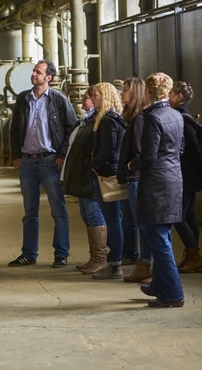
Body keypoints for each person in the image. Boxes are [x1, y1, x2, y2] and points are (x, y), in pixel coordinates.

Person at [9, 60, 77, 268]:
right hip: (28, 162)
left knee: (58, 210)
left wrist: (62, 155)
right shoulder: (23, 99)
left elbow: (72, 128)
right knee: (30, 212)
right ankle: (29, 254)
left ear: (49, 78)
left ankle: (61, 254)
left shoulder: (58, 99)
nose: (33, 74)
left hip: (50, 161)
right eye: (34, 71)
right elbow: (14, 130)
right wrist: (16, 157)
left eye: (38, 72)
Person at [127, 73, 185, 308]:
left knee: (158, 239)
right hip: (173, 180)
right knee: (164, 235)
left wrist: (131, 165)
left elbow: (149, 155)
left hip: (156, 183)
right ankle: (160, 286)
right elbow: (180, 149)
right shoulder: (176, 115)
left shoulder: (153, 117)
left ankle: (173, 293)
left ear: (149, 92)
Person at [60, 86, 107, 274]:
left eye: (87, 98)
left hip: (90, 176)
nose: (83, 102)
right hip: (81, 176)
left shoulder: (99, 121)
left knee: (95, 214)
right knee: (88, 215)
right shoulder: (85, 121)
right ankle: (94, 256)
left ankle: (101, 258)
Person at [169, 81, 202, 274]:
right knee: (190, 216)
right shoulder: (186, 116)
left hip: (186, 174)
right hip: (190, 174)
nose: (168, 97)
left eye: (171, 93)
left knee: (179, 217)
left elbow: (193, 148)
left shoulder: (182, 118)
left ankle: (194, 257)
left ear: (179, 96)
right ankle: (192, 255)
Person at [117, 77, 153, 283]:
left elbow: (141, 152)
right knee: (136, 222)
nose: (122, 93)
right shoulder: (133, 117)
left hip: (137, 179)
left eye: (125, 90)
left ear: (136, 93)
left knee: (143, 224)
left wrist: (129, 167)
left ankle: (145, 265)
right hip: (134, 178)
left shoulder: (139, 119)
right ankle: (142, 262)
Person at [89, 83, 126, 280]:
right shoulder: (115, 118)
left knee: (112, 220)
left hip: (107, 175)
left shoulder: (107, 121)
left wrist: (95, 165)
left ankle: (115, 265)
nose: (92, 98)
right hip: (110, 172)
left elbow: (109, 150)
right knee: (114, 219)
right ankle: (115, 261)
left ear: (105, 96)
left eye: (95, 95)